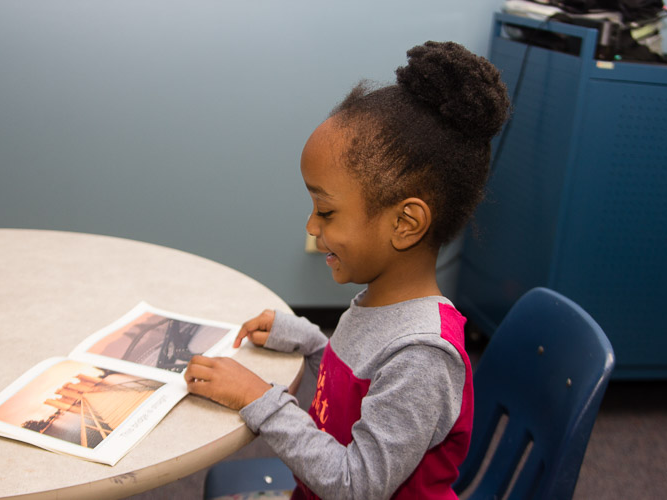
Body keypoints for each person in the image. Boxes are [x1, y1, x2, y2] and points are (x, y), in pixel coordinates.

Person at [184, 41, 510, 499]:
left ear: (405, 223)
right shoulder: (385, 305)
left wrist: (258, 397)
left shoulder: (422, 357)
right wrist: (310, 340)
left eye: (327, 212)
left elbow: (355, 484)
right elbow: (353, 388)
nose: (311, 226)